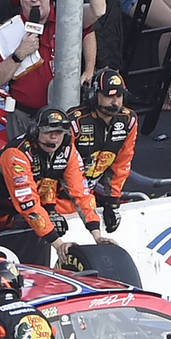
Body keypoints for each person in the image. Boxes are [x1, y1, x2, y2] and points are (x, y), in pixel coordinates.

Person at [0, 106, 109, 261]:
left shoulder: (68, 151)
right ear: (35, 131)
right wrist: (58, 244)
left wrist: (97, 235)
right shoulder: (16, 154)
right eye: (48, 132)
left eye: (59, 132)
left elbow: (81, 192)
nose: (54, 138)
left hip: (5, 213)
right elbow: (28, 204)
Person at [0, 0, 106, 138]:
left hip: (65, 115)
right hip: (24, 118)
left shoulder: (67, 17)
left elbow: (99, 10)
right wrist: (18, 55)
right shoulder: (9, 30)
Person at [63, 69, 136, 233]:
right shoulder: (75, 121)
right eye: (109, 96)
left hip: (89, 197)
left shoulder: (128, 120)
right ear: (94, 95)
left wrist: (112, 201)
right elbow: (64, 169)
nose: (115, 102)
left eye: (119, 96)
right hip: (61, 197)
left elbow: (122, 164)